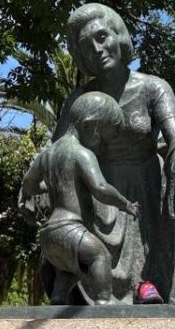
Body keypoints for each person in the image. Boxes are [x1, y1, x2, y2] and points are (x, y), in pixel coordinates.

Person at [52, 2, 175, 304]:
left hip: (146, 186)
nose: (97, 49)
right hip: (99, 188)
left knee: (153, 213)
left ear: (118, 36)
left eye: (102, 37)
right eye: (86, 46)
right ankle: (86, 288)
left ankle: (146, 284)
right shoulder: (79, 98)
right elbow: (60, 148)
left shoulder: (154, 88)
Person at [20, 91, 139, 305]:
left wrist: (44, 189)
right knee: (99, 256)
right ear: (89, 125)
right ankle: (104, 301)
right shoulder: (82, 153)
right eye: (102, 136)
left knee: (72, 268)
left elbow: (29, 184)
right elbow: (100, 187)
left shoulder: (46, 155)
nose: (102, 145)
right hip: (70, 228)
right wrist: (125, 204)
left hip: (48, 236)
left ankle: (58, 297)